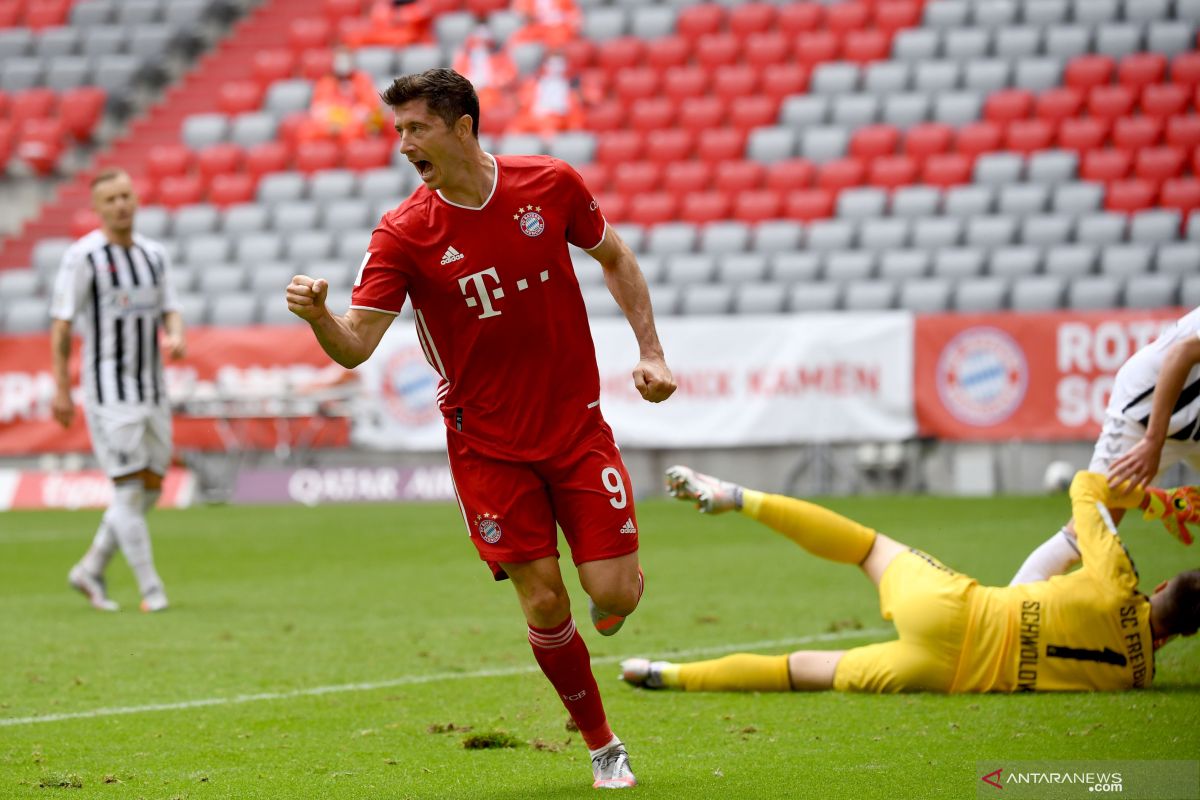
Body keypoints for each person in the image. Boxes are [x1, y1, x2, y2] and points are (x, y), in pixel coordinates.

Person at [285, 68, 675, 789]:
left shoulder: (550, 184)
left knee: (615, 595)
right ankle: (602, 745)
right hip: (486, 444)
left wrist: (650, 351)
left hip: (577, 426)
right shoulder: (403, 233)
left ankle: (612, 596)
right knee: (544, 600)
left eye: (416, 128)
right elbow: (357, 345)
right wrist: (318, 317)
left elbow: (615, 256)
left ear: (462, 127)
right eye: (397, 130)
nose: (403, 145)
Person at [621, 465, 1199, 694]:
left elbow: (1085, 485)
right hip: (947, 675)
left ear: (1165, 583)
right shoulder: (1136, 677)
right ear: (1183, 637)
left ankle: (737, 497)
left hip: (954, 607)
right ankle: (664, 675)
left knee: (865, 545)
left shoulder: (1117, 578)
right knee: (802, 671)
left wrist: (1156, 502)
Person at [49, 167, 186, 613]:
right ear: (97, 208)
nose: (121, 204)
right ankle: (151, 590)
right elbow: (63, 324)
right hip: (110, 390)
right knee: (128, 488)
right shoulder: (83, 257)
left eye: (126, 195)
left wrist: (176, 335)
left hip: (153, 389)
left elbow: (171, 308)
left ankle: (89, 570)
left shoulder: (154, 254)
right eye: (111, 200)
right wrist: (62, 389)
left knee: (149, 488)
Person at [1011, 306, 1200, 585]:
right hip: (1144, 413)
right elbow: (1181, 354)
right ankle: (1012, 614)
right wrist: (1153, 441)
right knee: (1088, 528)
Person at [299, 47, 388, 144]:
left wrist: (346, 119)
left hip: (354, 125)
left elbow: (369, 108)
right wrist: (333, 122)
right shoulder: (326, 82)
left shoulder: (362, 80)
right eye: (339, 60)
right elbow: (318, 110)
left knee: (356, 132)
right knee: (306, 131)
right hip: (328, 125)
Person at [507, 53, 585, 136]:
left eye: (559, 64)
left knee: (549, 126)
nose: (556, 67)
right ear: (545, 65)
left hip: (555, 118)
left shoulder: (568, 86)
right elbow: (523, 102)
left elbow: (573, 109)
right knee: (515, 128)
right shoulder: (534, 83)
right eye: (552, 64)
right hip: (534, 116)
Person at [451, 27, 517, 119]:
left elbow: (509, 75)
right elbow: (457, 76)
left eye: (483, 42)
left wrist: (492, 82)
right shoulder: (463, 57)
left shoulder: (500, 57)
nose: (480, 45)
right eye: (476, 42)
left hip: (493, 94)